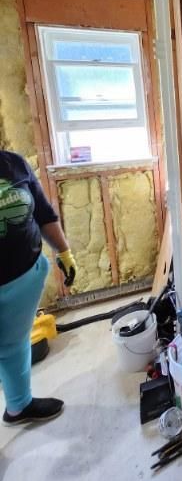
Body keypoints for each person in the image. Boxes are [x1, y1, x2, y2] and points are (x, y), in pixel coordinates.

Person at [0, 150, 76, 425]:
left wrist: (64, 253)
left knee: (14, 346)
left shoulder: (13, 164)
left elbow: (43, 214)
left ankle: (19, 407)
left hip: (24, 280)